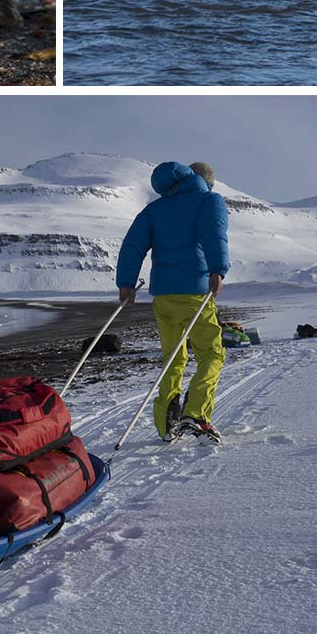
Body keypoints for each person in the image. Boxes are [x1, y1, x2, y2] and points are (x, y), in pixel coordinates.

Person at [116, 160, 229, 443]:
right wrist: (218, 270)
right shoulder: (208, 201)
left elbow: (133, 245)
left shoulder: (155, 209)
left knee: (173, 359)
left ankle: (167, 426)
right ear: (206, 182)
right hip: (195, 293)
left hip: (164, 297)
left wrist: (126, 283)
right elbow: (214, 234)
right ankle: (196, 414)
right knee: (212, 355)